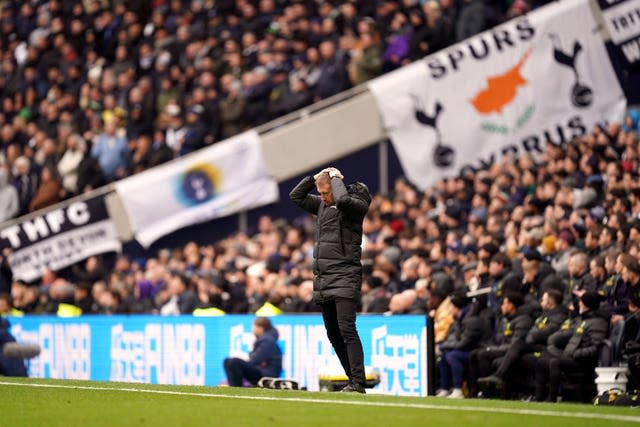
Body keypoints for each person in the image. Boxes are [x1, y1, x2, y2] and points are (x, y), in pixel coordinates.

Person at [289, 167, 372, 393]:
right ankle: (352, 381)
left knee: (347, 329)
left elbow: (343, 200)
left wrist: (335, 178)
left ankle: (358, 382)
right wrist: (313, 179)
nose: (323, 198)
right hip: (325, 279)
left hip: (345, 276)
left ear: (337, 186)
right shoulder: (323, 205)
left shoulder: (355, 206)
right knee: (333, 334)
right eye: (321, 193)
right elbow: (295, 196)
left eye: (325, 193)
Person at [223, 317, 282, 387]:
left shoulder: (267, 341)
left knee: (234, 362)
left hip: (266, 374)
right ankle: (234, 387)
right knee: (228, 361)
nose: (253, 330)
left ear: (260, 328)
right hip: (262, 370)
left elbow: (254, 359)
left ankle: (236, 388)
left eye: (254, 327)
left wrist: (250, 355)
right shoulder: (266, 340)